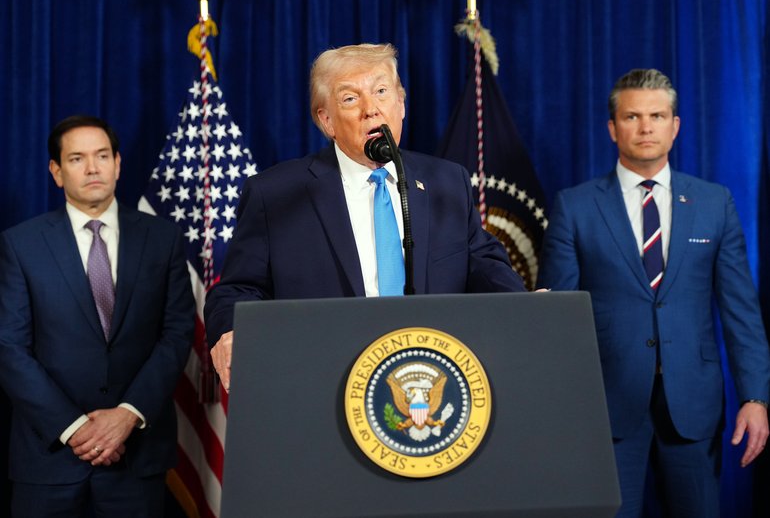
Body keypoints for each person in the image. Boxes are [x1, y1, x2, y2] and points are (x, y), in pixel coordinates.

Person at [204, 43, 526, 389]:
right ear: (326, 120)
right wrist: (231, 330)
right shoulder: (276, 194)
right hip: (324, 383)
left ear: (401, 104)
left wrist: (526, 307)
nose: (371, 110)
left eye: (382, 92)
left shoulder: (446, 182)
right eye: (350, 99)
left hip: (431, 380)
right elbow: (237, 288)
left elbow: (483, 263)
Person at [537, 69, 770, 517]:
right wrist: (558, 405)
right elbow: (556, 320)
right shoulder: (576, 205)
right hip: (606, 407)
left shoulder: (714, 202)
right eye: (633, 116)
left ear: (675, 125)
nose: (646, 127)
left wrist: (755, 398)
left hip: (694, 405)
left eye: (658, 116)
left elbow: (742, 312)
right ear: (612, 127)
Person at [0, 115, 195, 517]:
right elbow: (9, 348)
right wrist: (76, 428)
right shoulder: (20, 245)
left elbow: (176, 334)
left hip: (136, 459)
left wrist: (127, 415)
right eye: (77, 158)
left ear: (118, 164)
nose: (92, 168)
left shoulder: (163, 239)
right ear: (57, 172)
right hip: (48, 460)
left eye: (102, 155)